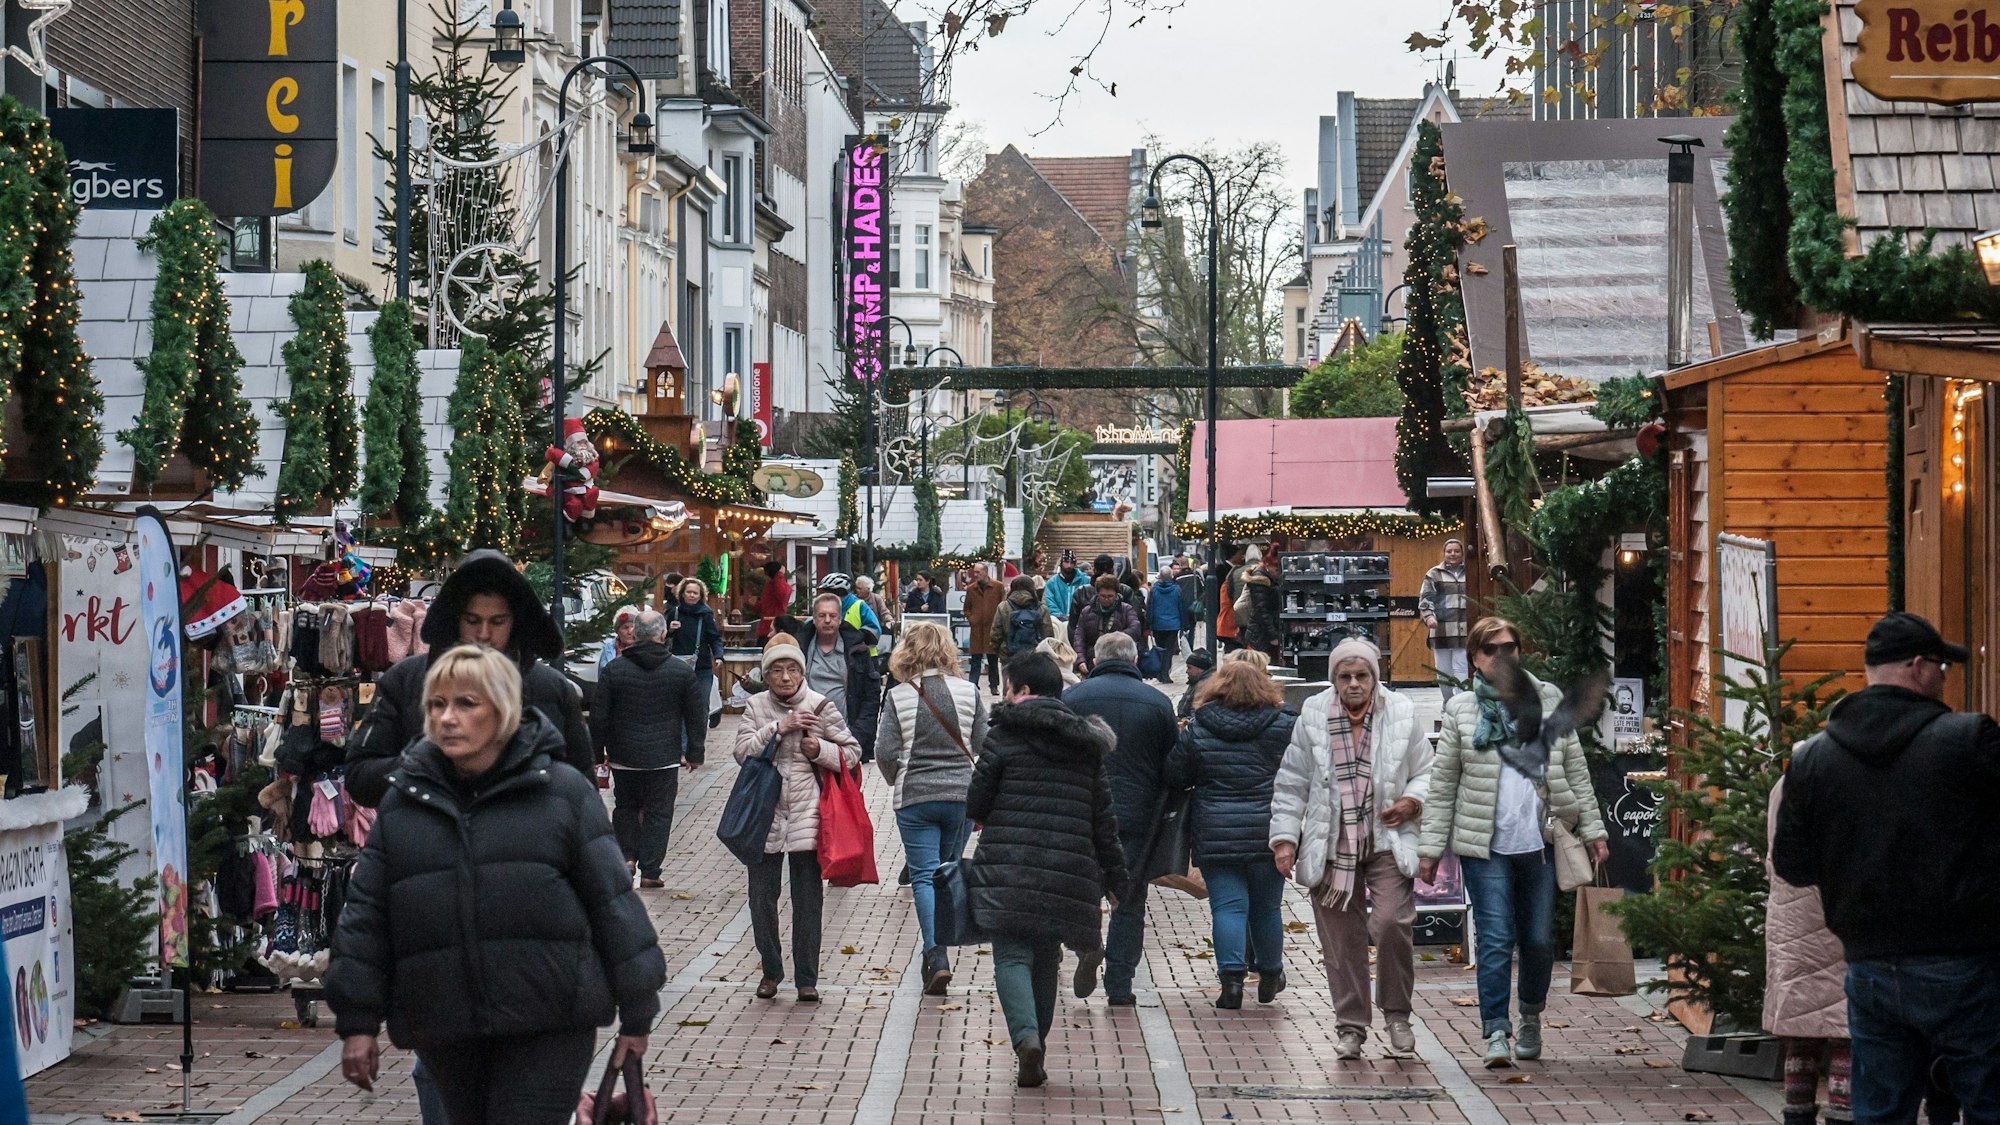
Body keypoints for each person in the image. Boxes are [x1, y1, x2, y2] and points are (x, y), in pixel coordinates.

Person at [328, 646, 665, 1125]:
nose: (447, 718)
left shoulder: (562, 792)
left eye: (466, 703)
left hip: (549, 1020)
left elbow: (613, 905)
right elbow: (366, 917)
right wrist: (357, 1022)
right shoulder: (406, 800)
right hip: (446, 1023)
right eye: (436, 705)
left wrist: (638, 1009)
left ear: (503, 709)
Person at [1773, 612, 2000, 1121]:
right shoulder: (1969, 741)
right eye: (1942, 665)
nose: (1945, 677)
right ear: (1918, 666)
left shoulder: (1813, 758)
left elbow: (1794, 863)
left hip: (1871, 967)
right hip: (1966, 960)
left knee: (1880, 1111)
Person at [1417, 617, 1610, 1069]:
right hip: (1484, 847)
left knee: (1539, 941)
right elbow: (1443, 785)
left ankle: (1529, 1016)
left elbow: (1577, 770)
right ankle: (1496, 1032)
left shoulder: (1548, 700)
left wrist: (1595, 831)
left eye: (1510, 648)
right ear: (1475, 660)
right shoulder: (1463, 711)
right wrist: (1429, 849)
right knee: (1497, 937)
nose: (1502, 658)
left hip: (1540, 843)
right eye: (1491, 651)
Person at [965, 652, 1126, 1088]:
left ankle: (1026, 1040)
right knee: (1044, 959)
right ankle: (1036, 1046)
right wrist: (1115, 876)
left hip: (1009, 863)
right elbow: (1102, 817)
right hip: (1067, 867)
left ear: (1021, 691)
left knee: (1012, 954)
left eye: (1006, 686)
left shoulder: (1003, 737)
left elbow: (976, 804)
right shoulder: (1087, 744)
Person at [1271, 638, 1435, 1059]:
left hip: (1387, 840)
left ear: (1374, 676)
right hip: (1331, 844)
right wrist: (1286, 839)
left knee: (1391, 923)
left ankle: (1397, 1014)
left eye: (1362, 675)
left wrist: (1411, 801)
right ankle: (1351, 1027)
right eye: (1345, 676)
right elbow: (1292, 782)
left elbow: (1427, 772)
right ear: (1334, 679)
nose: (1354, 683)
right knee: (1341, 943)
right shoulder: (1312, 714)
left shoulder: (1400, 712)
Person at [348, 550, 592, 808]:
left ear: (514, 623)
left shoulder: (552, 689)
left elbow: (584, 795)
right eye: (472, 620)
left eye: (497, 621)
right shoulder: (405, 680)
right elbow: (360, 778)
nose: (484, 634)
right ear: (455, 619)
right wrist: (429, 760)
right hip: (430, 841)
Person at [734, 634, 864, 1001]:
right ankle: (771, 970)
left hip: (810, 814)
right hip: (764, 814)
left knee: (808, 902)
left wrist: (819, 749)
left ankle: (807, 978)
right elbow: (742, 753)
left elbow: (852, 751)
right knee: (762, 899)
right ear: (767, 674)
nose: (786, 677)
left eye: (792, 669)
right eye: (777, 670)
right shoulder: (756, 706)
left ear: (802, 672)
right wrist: (778, 728)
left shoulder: (821, 706)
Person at [1165, 658, 1298, 1010]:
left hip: (1215, 830)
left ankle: (1232, 984)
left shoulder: (1199, 726)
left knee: (1228, 907)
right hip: (1267, 828)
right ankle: (1270, 974)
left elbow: (1176, 773)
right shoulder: (1282, 725)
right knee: (1267, 907)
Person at [1064, 631, 1178, 1005]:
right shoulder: (1158, 702)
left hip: (1082, 810)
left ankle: (1085, 946)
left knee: (1081, 890)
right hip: (1137, 814)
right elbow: (1172, 763)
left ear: (1095, 659)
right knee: (1129, 900)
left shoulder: (1072, 699)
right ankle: (1120, 983)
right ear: (1133, 660)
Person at [877, 622, 986, 996]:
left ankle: (935, 954)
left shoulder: (899, 695)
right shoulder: (969, 692)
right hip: (961, 796)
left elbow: (885, 751)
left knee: (923, 876)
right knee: (946, 872)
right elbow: (984, 746)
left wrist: (898, 778)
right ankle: (946, 939)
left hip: (916, 798)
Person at [593, 611, 705, 889]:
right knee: (659, 812)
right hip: (664, 756)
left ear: (636, 633)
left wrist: (597, 753)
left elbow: (599, 716)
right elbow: (696, 714)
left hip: (624, 754)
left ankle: (627, 857)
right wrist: (694, 752)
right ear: (663, 634)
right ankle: (651, 870)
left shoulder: (614, 670)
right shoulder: (680, 671)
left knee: (626, 807)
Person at [1765, 772, 1853, 1125]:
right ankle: (1842, 1114)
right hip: (1840, 913)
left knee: (1801, 1031)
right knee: (1846, 1030)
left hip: (1791, 919)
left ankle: (1797, 1116)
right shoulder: (1850, 779)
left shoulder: (1784, 783)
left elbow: (1772, 850)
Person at [795, 592, 882, 757]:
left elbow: (871, 696)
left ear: (840, 619)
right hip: (805, 738)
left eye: (833, 615)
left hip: (846, 737)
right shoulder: (799, 649)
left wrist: (858, 735)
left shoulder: (858, 651)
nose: (827, 620)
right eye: (822, 615)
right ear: (813, 619)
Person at [668, 576, 725, 734]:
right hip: (678, 667)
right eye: (689, 592)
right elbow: (661, 637)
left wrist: (719, 656)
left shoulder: (706, 615)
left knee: (700, 705)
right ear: (682, 594)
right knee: (679, 706)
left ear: (701, 596)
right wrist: (670, 630)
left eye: (695, 593)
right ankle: (682, 744)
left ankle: (697, 742)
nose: (692, 595)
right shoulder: (674, 613)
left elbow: (715, 638)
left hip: (702, 668)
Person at [1419, 539, 1470, 698]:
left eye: (1457, 551)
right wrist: (1429, 618)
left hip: (1464, 630)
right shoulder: (1434, 574)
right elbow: (1426, 599)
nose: (1453, 554)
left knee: (1462, 669)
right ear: (1444, 553)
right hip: (1441, 629)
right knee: (1444, 672)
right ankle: (1448, 702)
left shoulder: (1471, 571)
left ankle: (1461, 704)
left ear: (1462, 553)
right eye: (1449, 551)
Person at [1071, 575, 1143, 673]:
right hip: (1093, 659)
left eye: (1110, 596)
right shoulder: (1087, 611)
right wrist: (1080, 659)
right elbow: (1079, 637)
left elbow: (1135, 629)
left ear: (1116, 594)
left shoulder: (1126, 609)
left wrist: (1113, 639)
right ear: (1097, 594)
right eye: (1103, 596)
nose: (1106, 599)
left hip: (1121, 660)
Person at [962, 564, 1007, 694]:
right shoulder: (971, 589)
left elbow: (1003, 605)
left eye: (978, 572)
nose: (975, 575)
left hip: (992, 629)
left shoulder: (998, 587)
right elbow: (966, 608)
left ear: (986, 572)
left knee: (993, 659)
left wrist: (998, 623)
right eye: (974, 572)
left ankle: (994, 686)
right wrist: (972, 619)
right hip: (977, 629)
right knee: (975, 658)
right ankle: (973, 685)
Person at [1234, 549, 1284, 662]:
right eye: (1276, 569)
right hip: (1261, 634)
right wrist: (1273, 635)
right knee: (1263, 664)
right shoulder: (1260, 580)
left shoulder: (1267, 577)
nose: (1278, 573)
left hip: (1260, 631)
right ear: (1267, 565)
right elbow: (1261, 610)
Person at [1147, 568, 1186, 684]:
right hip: (1173, 625)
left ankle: (1160, 672)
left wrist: (1149, 623)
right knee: (1169, 650)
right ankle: (1165, 673)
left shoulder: (1154, 590)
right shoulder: (1177, 590)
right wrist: (1184, 624)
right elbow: (1181, 607)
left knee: (1160, 649)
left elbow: (1150, 607)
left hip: (1158, 624)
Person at [1043, 549, 1093, 630]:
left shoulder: (1086, 581)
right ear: (1061, 563)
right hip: (1058, 625)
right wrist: (1061, 616)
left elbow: (1090, 602)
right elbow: (1049, 603)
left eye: (1072, 562)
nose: (1069, 565)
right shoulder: (1052, 583)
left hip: (1081, 624)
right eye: (1066, 562)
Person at [1212, 543, 1248, 652]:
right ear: (1233, 555)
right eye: (1239, 554)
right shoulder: (1223, 569)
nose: (1241, 556)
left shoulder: (1232, 569)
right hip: (1226, 611)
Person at [1173, 556, 1205, 651]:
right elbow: (1203, 588)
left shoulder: (1177, 577)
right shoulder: (1195, 575)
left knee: (1182, 626)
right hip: (1193, 605)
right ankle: (1190, 646)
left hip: (1181, 605)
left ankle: (1182, 645)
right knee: (1192, 626)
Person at [756, 561, 793, 640]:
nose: (764, 577)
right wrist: (755, 604)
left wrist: (779, 574)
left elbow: (782, 595)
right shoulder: (769, 586)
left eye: (765, 574)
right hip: (766, 628)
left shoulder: (779, 586)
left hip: (773, 629)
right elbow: (764, 608)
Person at [1177, 649, 1216, 722]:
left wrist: (1185, 722)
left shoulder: (1205, 685)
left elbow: (1198, 713)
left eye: (1189, 667)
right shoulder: (1195, 680)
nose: (1187, 671)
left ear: (1200, 669)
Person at [598, 607, 638, 672]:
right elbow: (603, 675)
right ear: (617, 631)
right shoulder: (609, 649)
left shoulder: (643, 649)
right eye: (625, 628)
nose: (630, 632)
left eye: (633, 628)